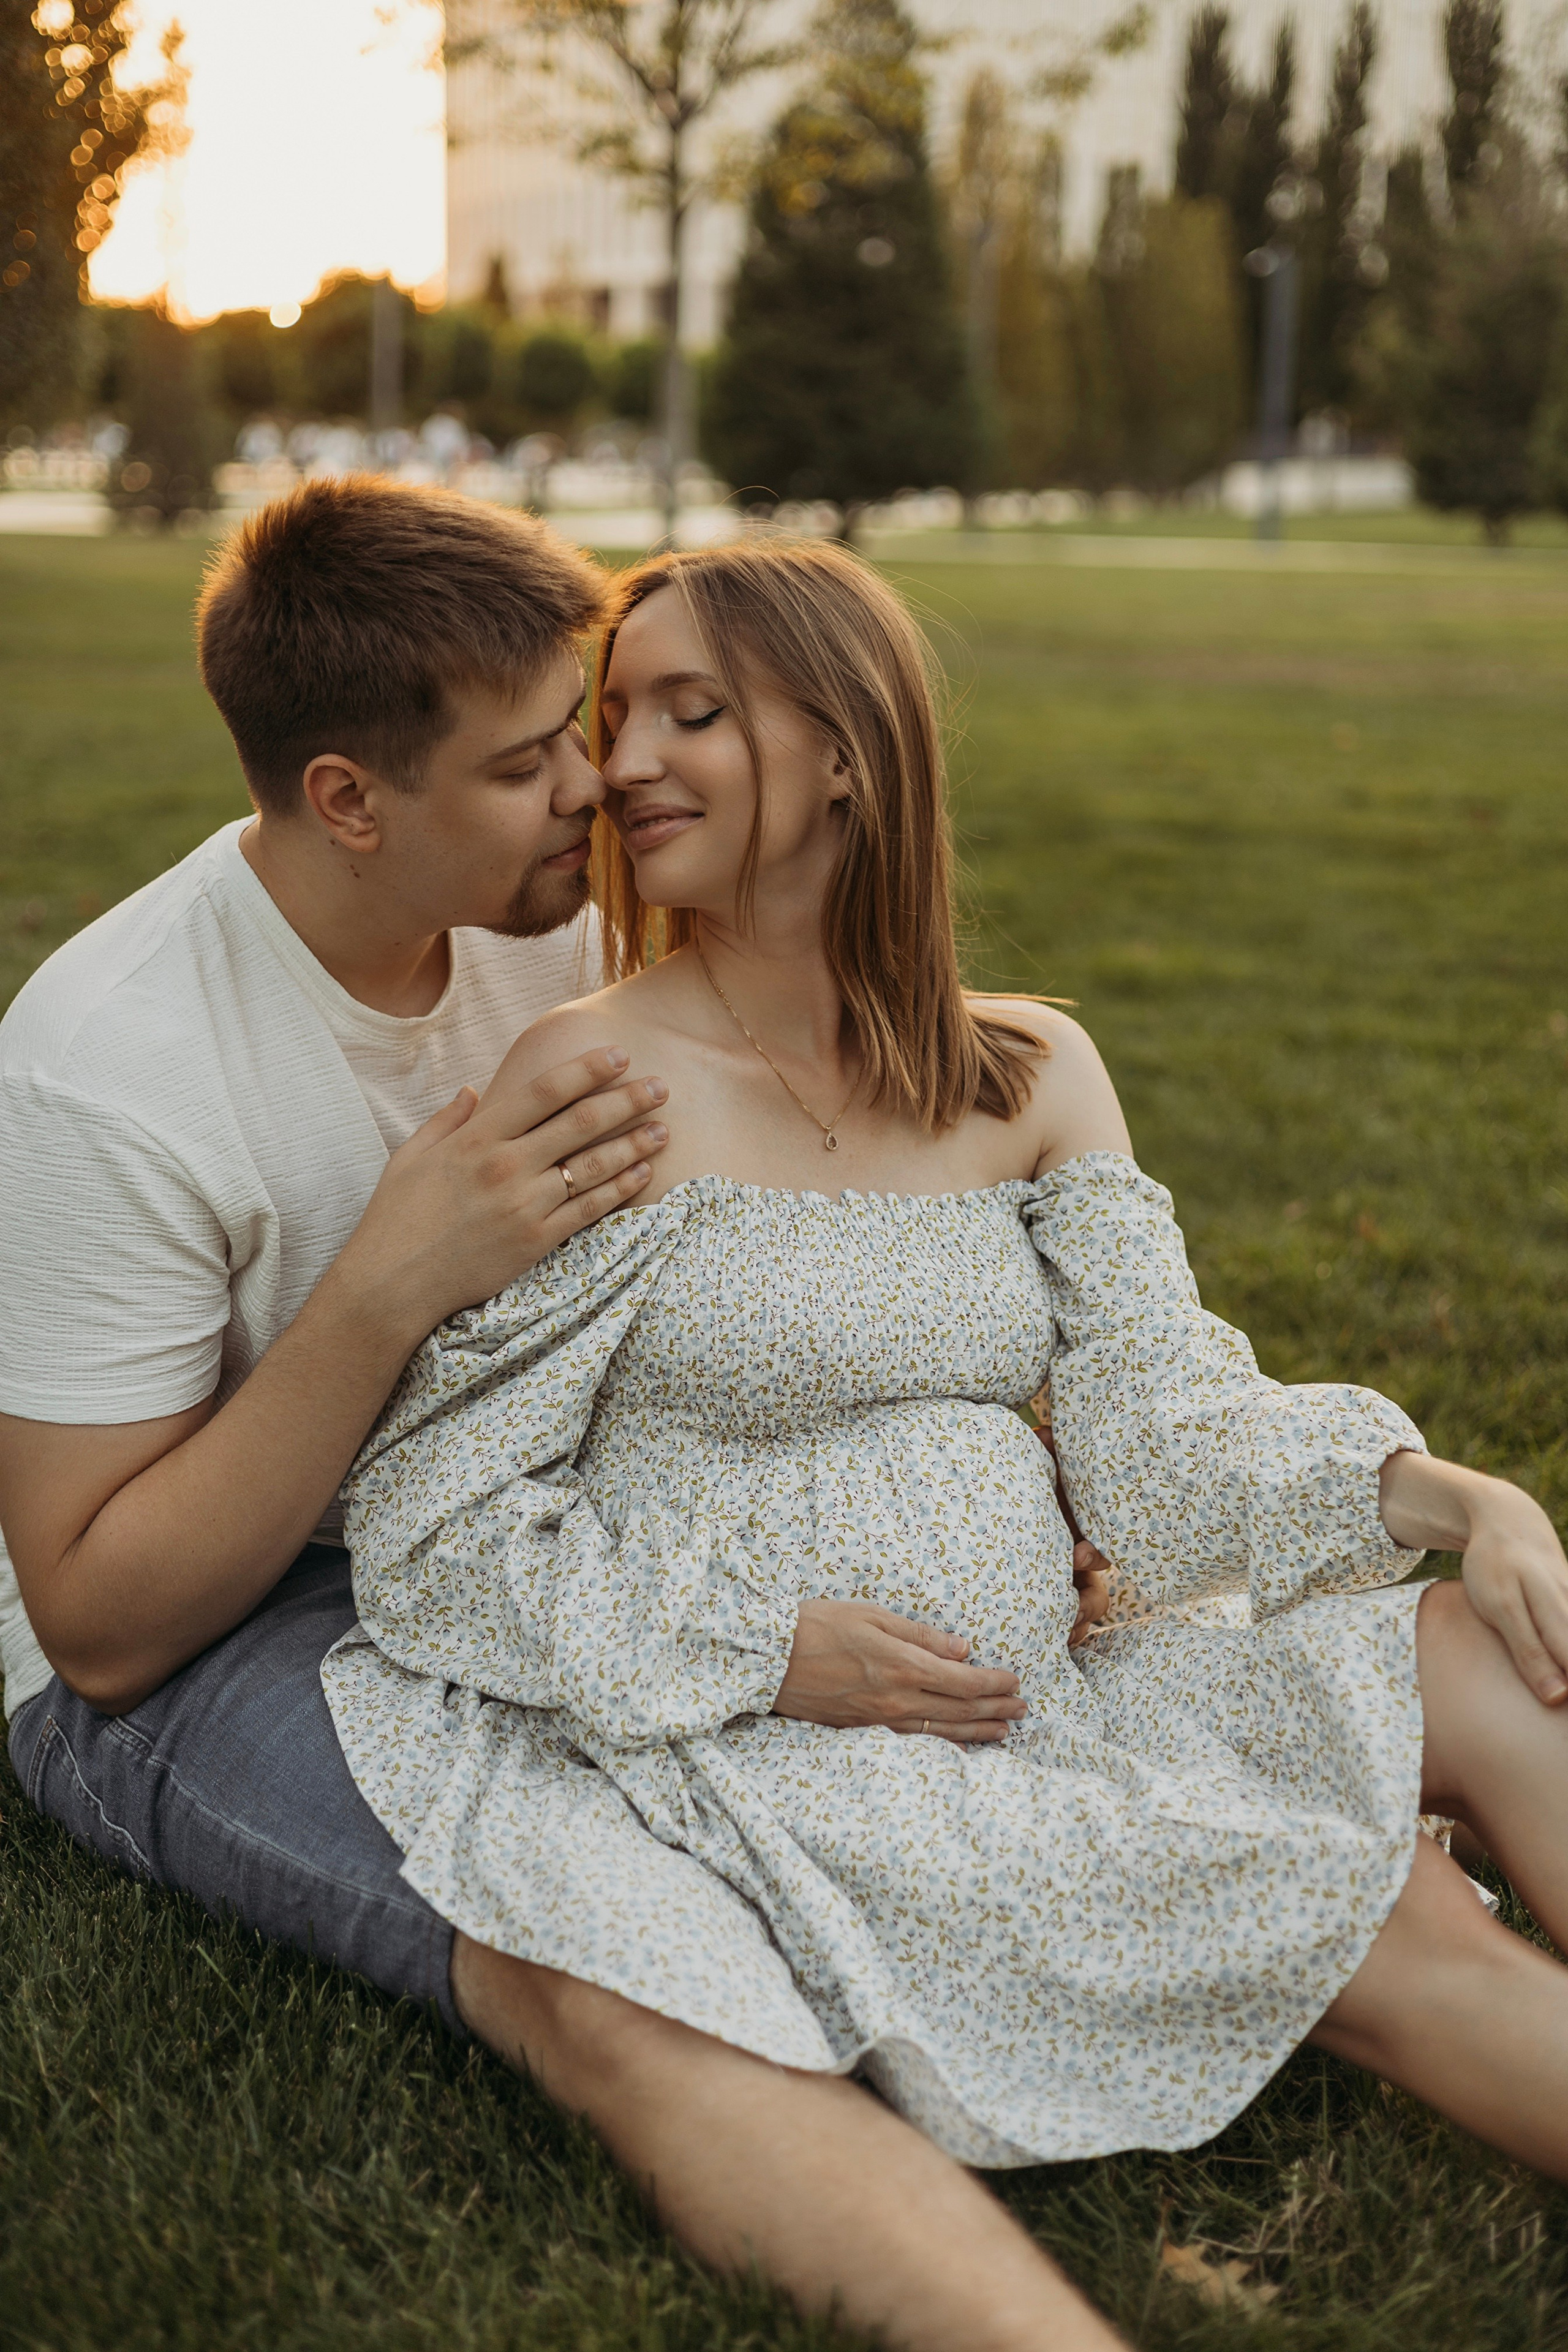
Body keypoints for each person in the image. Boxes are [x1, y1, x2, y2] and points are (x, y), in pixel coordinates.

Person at [325, 536, 1568, 2346]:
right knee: (1370, 1917)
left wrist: (1469, 1499)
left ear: (845, 752)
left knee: (1500, 1654)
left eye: (695, 711)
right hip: (791, 1738)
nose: (626, 764)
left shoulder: (1028, 1068)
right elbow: (434, 1523)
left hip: (1067, 1683)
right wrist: (773, 1650)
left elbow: (1160, 1429)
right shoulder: (598, 1086)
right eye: (615, 718)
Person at [0, 481, 1117, 2352]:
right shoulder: (110, 1069)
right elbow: (99, 1621)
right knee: (610, 1957)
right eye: (538, 762)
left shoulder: (544, 919)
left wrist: (1014, 1470)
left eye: (589, 726)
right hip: (207, 1621)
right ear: (353, 798)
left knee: (888, 1791)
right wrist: (385, 1283)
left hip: (525, 1529)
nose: (603, 788)